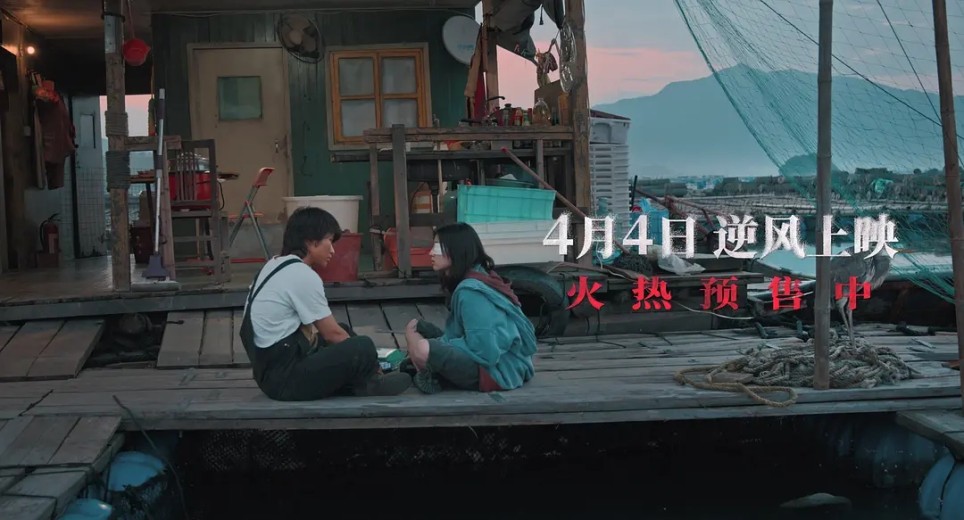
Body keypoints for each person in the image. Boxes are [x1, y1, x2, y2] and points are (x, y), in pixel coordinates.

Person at [240, 206, 412, 400]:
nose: (332, 250)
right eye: (329, 241)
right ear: (311, 242)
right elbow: (332, 334)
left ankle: (358, 380)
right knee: (361, 346)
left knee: (344, 329)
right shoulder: (301, 274)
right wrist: (369, 362)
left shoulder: (274, 265)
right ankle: (371, 382)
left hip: (268, 374)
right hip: (285, 381)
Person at [403, 222, 537, 394]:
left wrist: (439, 345)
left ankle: (432, 375)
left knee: (422, 348)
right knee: (414, 327)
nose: (431, 253)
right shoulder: (475, 276)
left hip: (497, 372)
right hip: (487, 356)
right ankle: (429, 368)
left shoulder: (471, 293)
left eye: (437, 247)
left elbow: (485, 351)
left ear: (456, 250)